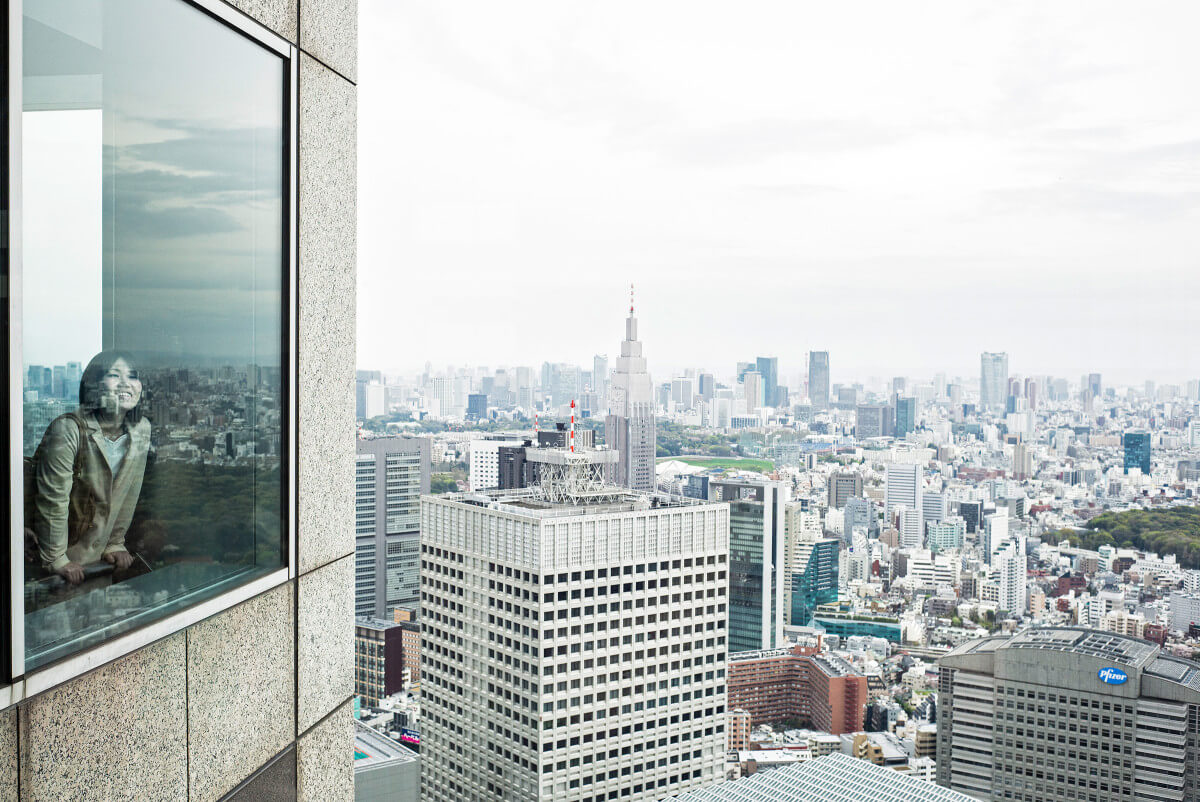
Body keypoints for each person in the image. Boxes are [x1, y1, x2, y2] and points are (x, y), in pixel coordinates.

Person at [29, 350, 152, 584]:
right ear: (95, 384)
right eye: (115, 375)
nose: (126, 383)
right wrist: (56, 558)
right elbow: (53, 501)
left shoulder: (140, 429)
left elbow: (128, 494)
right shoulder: (69, 429)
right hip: (59, 563)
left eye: (133, 376)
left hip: (99, 562)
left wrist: (115, 542)